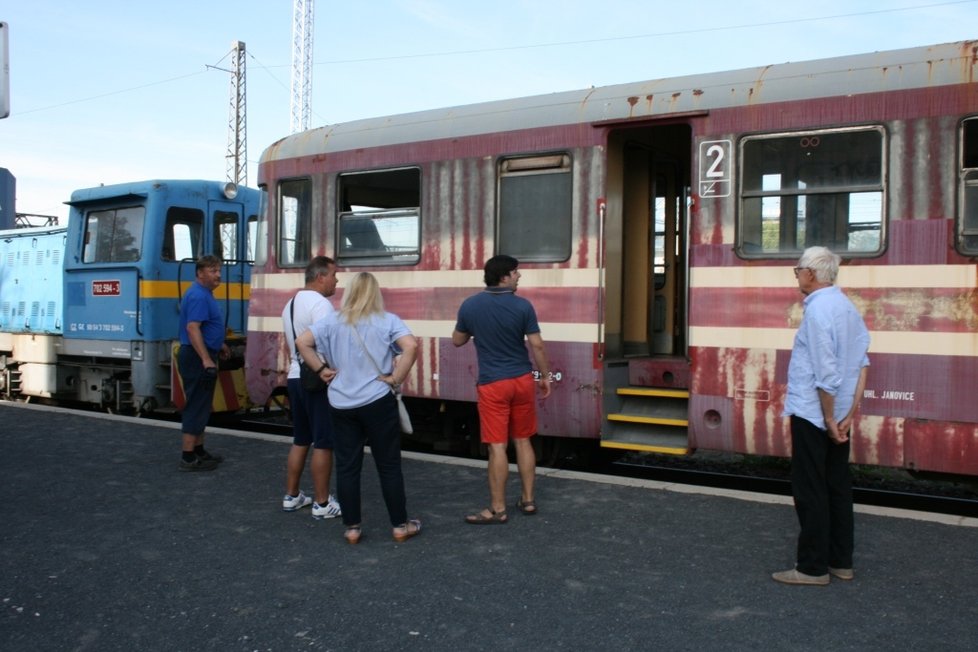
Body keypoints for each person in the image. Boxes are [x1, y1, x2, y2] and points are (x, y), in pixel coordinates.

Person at [296, 272, 421, 544]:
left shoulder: (331, 321)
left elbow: (301, 342)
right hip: (377, 400)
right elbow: (410, 346)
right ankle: (400, 526)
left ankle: (352, 528)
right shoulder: (387, 320)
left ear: (350, 292)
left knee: (347, 466)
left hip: (341, 402)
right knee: (388, 466)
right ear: (374, 293)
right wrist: (396, 378)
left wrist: (321, 370)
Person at [773, 246, 870, 586]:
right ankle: (841, 562)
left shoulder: (817, 312)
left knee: (810, 487)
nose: (796, 275)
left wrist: (829, 419)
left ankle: (812, 568)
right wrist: (847, 415)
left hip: (814, 415)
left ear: (811, 274)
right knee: (837, 487)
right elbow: (861, 365)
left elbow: (825, 374)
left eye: (798, 269)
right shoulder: (847, 308)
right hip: (839, 416)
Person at [453, 255, 552, 525]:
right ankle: (528, 500)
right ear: (504, 276)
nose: (519, 276)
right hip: (521, 380)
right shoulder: (523, 306)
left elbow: (458, 340)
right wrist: (544, 376)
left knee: (497, 446)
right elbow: (537, 345)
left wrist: (476, 328)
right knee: (523, 440)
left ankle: (498, 508)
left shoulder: (471, 305)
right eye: (516, 272)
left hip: (493, 383)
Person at [281, 256, 342, 519]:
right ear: (320, 277)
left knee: (301, 438)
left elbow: (294, 344)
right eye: (333, 275)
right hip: (318, 378)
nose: (336, 281)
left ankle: (292, 496)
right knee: (324, 441)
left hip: (296, 376)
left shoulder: (290, 304)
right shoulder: (321, 305)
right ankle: (321, 502)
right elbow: (327, 345)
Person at [176, 255, 231, 471]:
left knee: (201, 404)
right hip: (197, 357)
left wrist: (220, 345)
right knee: (196, 404)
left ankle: (199, 451)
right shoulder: (199, 296)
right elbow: (193, 328)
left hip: (202, 353)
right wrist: (206, 358)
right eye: (213, 271)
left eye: (218, 270)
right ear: (200, 273)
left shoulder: (204, 293)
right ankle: (188, 457)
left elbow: (206, 327)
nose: (218, 275)